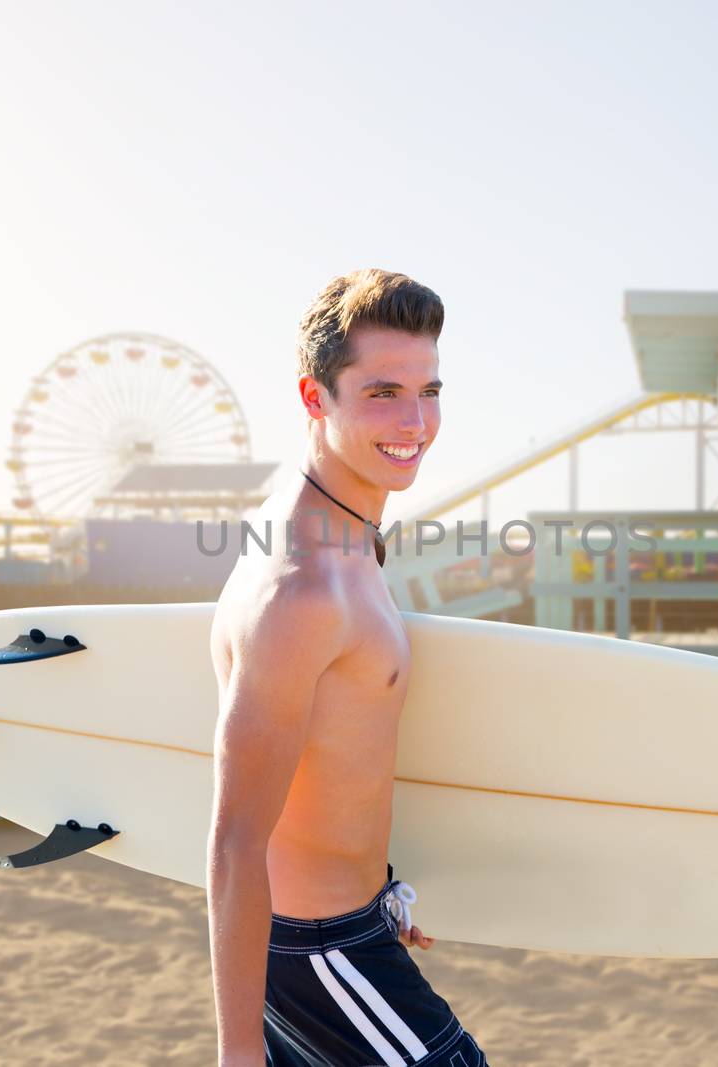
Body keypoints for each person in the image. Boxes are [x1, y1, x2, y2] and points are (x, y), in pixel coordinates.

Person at [207, 269, 488, 1066]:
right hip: (315, 953)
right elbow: (232, 840)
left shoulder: (348, 534)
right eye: (382, 392)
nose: (416, 421)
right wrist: (237, 1054)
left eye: (429, 390)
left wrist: (380, 884)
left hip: (353, 925)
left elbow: (334, 746)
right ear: (313, 396)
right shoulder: (300, 588)